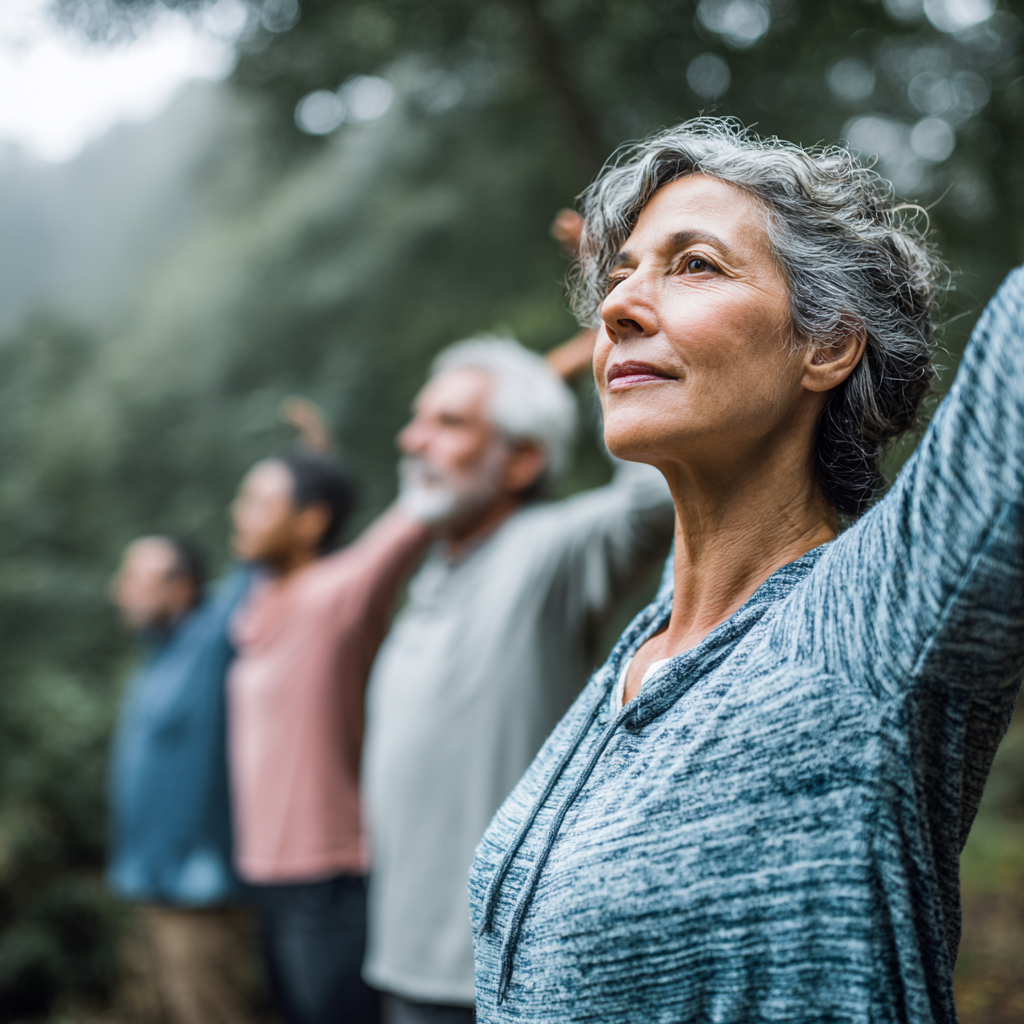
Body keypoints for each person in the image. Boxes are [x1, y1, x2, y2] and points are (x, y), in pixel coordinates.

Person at [468, 117, 1024, 1023]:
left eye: (695, 265)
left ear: (829, 345)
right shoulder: (644, 647)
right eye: (619, 277)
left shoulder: (870, 623)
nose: (616, 309)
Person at [361, 330, 676, 1023]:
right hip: (401, 966)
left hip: (501, 984)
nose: (413, 441)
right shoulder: (435, 574)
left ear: (523, 460)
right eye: (419, 419)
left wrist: (622, 325)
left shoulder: (547, 552)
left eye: (449, 423)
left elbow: (654, 497)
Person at [227, 446, 432, 1024]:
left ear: (311, 520)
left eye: (258, 501)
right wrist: (316, 458)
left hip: (331, 875)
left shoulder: (338, 592)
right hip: (265, 873)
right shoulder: (254, 604)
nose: (239, 513)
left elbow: (415, 513)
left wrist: (519, 386)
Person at [108, 535, 252, 1024]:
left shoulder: (209, 641)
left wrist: (310, 463)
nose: (121, 591)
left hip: (200, 892)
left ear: (182, 588)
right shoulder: (157, 655)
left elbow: (257, 568)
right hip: (153, 884)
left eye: (137, 579)